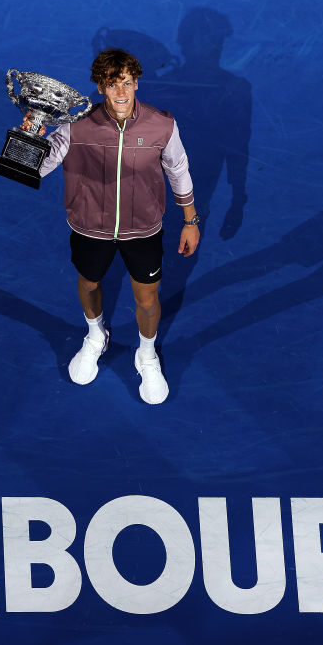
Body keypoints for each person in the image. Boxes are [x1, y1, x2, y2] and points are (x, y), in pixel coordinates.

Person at [21, 48, 200, 404]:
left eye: (127, 83)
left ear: (137, 84)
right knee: (88, 283)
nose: (121, 92)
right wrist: (29, 136)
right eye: (112, 84)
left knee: (147, 297)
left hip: (143, 230)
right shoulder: (75, 125)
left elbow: (178, 169)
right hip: (88, 228)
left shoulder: (162, 125)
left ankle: (146, 353)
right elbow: (36, 169)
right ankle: (95, 335)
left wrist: (190, 220)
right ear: (100, 87)